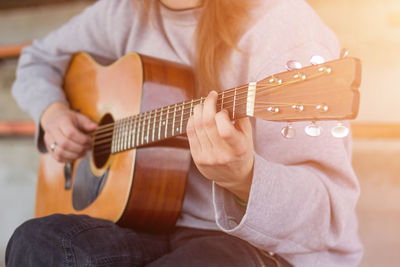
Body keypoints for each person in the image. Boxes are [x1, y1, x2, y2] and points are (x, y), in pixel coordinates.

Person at [6, 0, 363, 266]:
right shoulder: (127, 10)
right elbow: (37, 60)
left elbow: (328, 218)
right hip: (151, 226)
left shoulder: (283, 26)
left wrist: (244, 178)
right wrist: (53, 113)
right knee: (36, 243)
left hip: (259, 249)